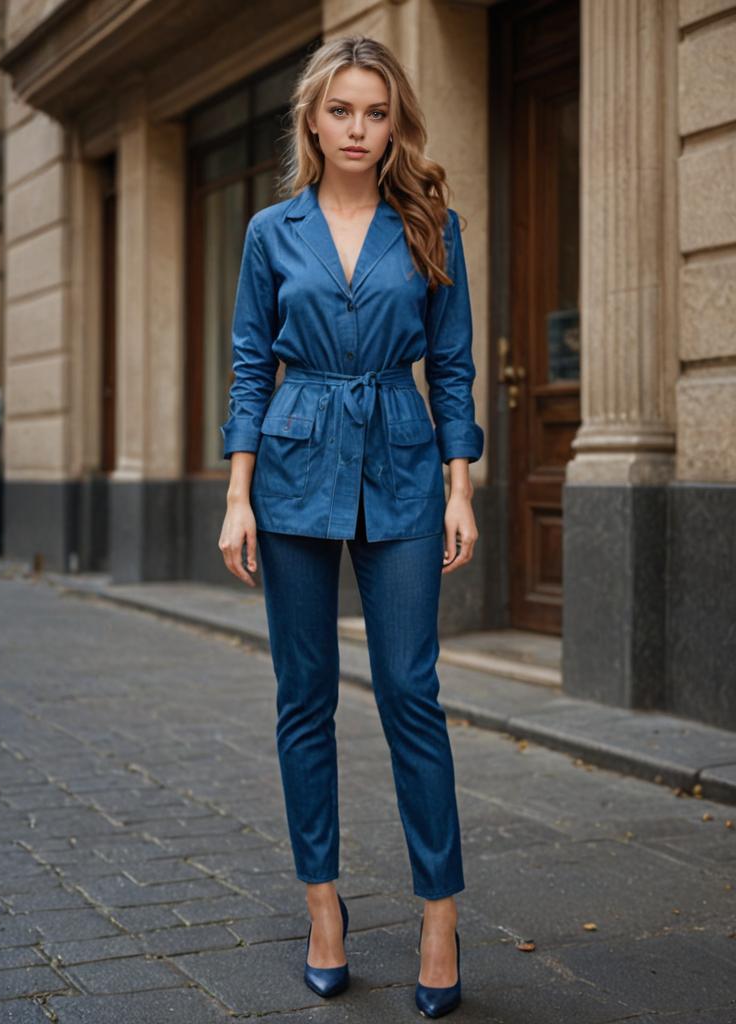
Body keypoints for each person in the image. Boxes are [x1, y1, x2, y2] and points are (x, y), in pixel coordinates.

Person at [218, 34, 484, 1019]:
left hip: (407, 462)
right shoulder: (269, 233)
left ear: (395, 120)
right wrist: (238, 493)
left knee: (412, 688)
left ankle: (440, 914)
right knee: (305, 695)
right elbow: (250, 364)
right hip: (290, 464)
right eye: (343, 112)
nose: (360, 130)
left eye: (376, 112)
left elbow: (451, 365)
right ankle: (322, 905)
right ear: (313, 121)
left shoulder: (431, 226)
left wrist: (461, 487)